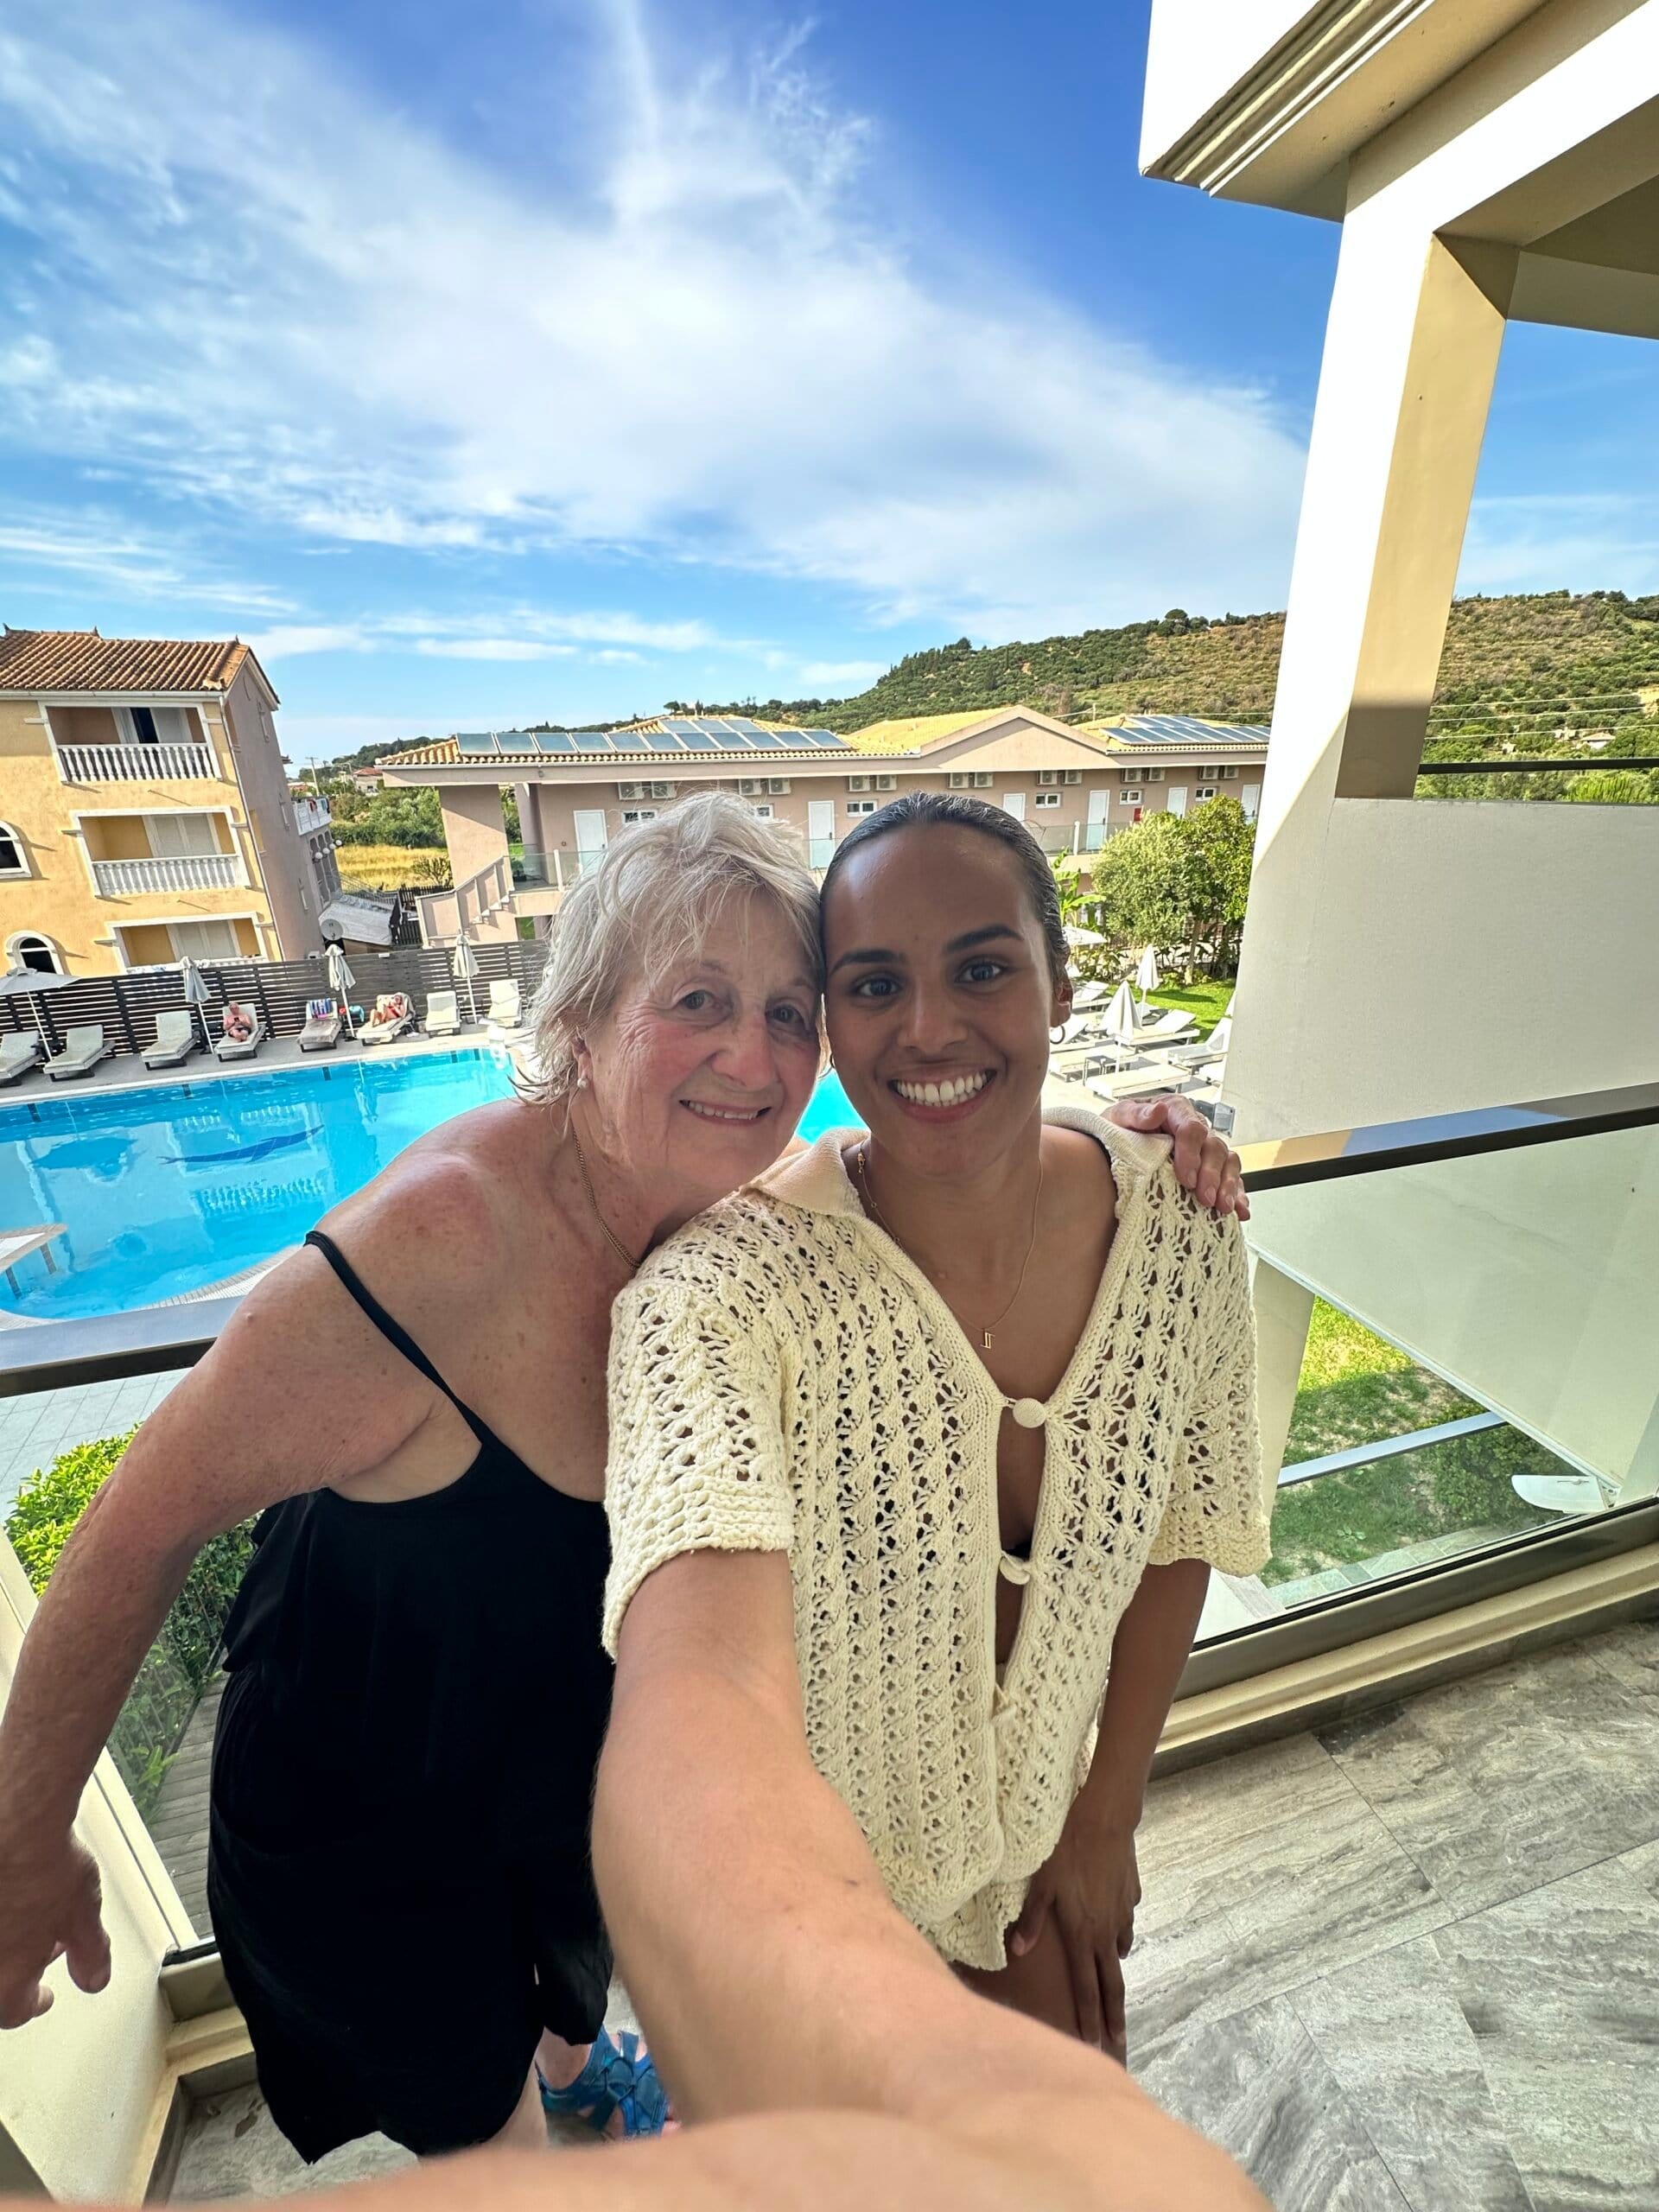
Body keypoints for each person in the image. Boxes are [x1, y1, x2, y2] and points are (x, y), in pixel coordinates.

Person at [0, 797, 1243, 2163]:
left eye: (786, 1012)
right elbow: (141, 1519)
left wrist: (1133, 1133)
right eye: (698, 1001)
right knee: (488, 2142)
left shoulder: (725, 1212)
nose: (750, 1056)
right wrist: (26, 1843)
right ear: (581, 1028)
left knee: (569, 2012)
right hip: (373, 1811)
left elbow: (949, 1141)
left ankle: (587, 2077)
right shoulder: (441, 1244)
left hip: (550, 1767)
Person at [600, 793, 1270, 2066]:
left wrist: (1106, 1816)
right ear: (831, 1025)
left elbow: (1182, 1532)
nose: (927, 1029)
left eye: (982, 968)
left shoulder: (1182, 1232)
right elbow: (695, 1645)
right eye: (873, 986)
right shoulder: (722, 1296)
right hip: (814, 1915)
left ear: (1059, 981)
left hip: (1042, 1864)